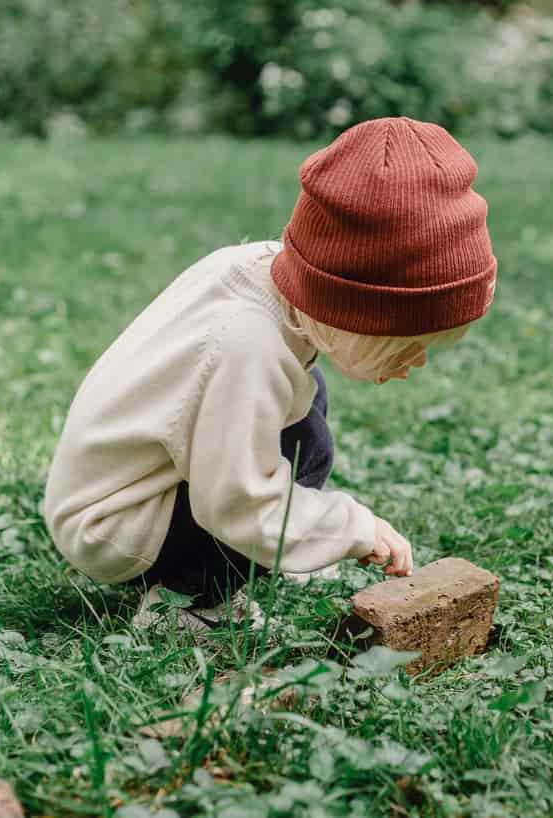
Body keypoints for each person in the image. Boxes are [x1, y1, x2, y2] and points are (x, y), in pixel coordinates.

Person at [42, 116, 497, 635]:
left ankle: (274, 545)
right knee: (302, 449)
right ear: (355, 310)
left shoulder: (270, 278)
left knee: (304, 415)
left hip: (143, 477)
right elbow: (237, 504)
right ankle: (188, 604)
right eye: (406, 346)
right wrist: (351, 527)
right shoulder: (244, 347)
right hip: (112, 520)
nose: (414, 365)